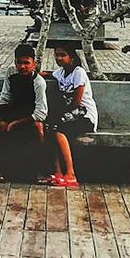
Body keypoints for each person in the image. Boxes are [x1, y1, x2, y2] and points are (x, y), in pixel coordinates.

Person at [45, 45, 98, 188]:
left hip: (85, 116)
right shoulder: (60, 73)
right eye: (56, 55)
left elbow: (76, 102)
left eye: (63, 55)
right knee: (49, 128)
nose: (59, 58)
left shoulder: (78, 72)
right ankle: (58, 172)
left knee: (58, 129)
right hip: (69, 115)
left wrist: (59, 114)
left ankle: (71, 174)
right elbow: (51, 75)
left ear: (72, 58)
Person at [0, 43, 49, 178]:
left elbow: (41, 112)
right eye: (19, 63)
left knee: (39, 129)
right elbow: (4, 96)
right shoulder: (11, 73)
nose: (23, 66)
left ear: (33, 64)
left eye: (26, 63)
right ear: (15, 62)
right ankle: (0, 168)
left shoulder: (39, 82)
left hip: (31, 115)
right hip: (14, 111)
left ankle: (40, 170)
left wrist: (15, 124)